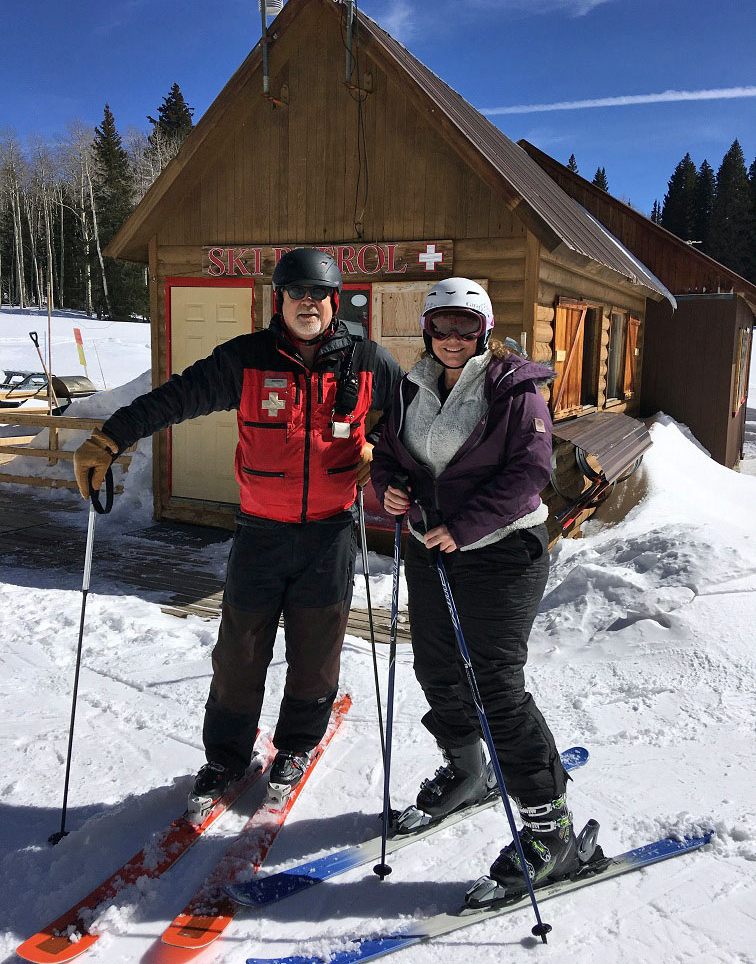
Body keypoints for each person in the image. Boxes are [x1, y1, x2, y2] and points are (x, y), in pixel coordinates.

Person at [74, 248, 402, 812]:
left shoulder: (370, 362)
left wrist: (385, 455)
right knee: (239, 652)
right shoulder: (246, 359)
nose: (308, 304)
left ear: (334, 300)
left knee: (316, 650)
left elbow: (411, 424)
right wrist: (111, 436)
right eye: (297, 294)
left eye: (318, 295)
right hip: (260, 533)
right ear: (280, 300)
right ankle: (226, 756)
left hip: (330, 534)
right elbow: (175, 397)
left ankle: (296, 746)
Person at [370, 277, 575, 901]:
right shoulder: (412, 388)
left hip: (504, 550)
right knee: (436, 665)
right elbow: (388, 454)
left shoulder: (514, 390)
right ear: (427, 331)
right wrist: (390, 487)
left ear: (484, 332)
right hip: (435, 547)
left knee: (495, 683)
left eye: (466, 328)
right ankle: (466, 769)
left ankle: (550, 825)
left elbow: (531, 474)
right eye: (442, 327)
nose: (453, 339)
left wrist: (464, 526)